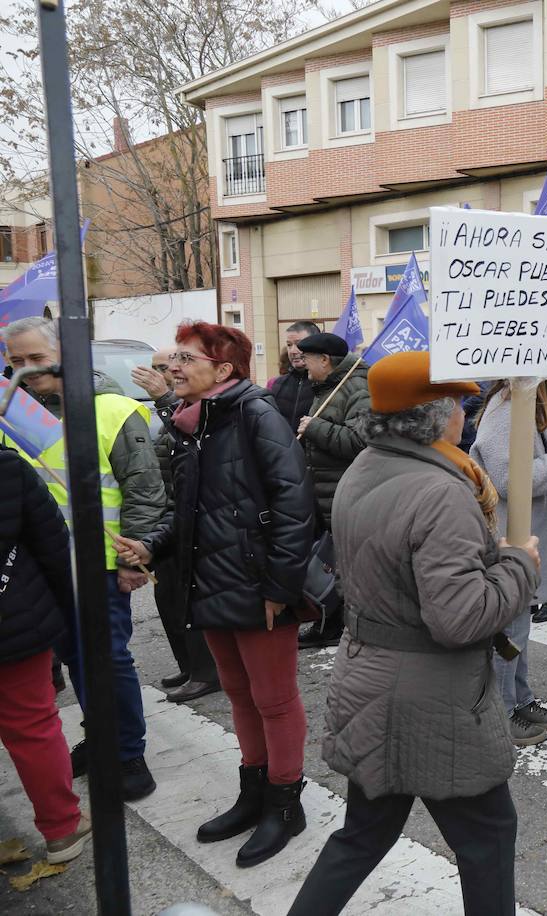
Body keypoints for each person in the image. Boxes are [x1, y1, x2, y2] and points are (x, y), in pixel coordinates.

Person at [286, 351, 538, 916]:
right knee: (487, 838)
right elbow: (461, 618)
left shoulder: (365, 468)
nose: (463, 416)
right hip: (433, 698)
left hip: (370, 677)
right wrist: (518, 564)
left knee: (363, 834)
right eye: (457, 404)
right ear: (434, 414)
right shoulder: (440, 489)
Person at [114, 321, 315, 868]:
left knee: (274, 699)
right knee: (239, 694)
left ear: (222, 370)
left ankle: (285, 800)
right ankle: (253, 793)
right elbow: (189, 509)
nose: (171, 367)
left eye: (184, 357)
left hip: (258, 588)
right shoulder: (193, 423)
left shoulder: (255, 413)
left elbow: (296, 506)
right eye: (171, 358)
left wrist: (279, 587)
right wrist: (152, 546)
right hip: (216, 582)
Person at [1, 316, 164, 801]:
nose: (26, 370)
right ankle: (101, 739)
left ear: (65, 353)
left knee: (108, 659)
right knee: (75, 658)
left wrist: (136, 559)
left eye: (35, 358)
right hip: (43, 569)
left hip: (102, 563)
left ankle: (128, 753)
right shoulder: (12, 413)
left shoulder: (113, 409)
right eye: (14, 362)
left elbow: (145, 490)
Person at [470, 379, 547, 746]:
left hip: (514, 534)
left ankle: (519, 699)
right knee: (510, 628)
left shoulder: (516, 403)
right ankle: (501, 711)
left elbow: (525, 450)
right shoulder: (507, 408)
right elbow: (509, 477)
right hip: (505, 536)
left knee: (519, 625)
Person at [0, 449, 91, 864]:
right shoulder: (6, 465)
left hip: (17, 619)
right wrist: (66, 613)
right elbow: (54, 545)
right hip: (15, 618)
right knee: (33, 725)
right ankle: (62, 828)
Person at [131, 349, 220, 702]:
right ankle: (188, 664)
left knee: (188, 597)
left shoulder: (190, 402)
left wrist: (164, 400)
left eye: (166, 367)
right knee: (166, 596)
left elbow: (192, 437)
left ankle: (206, 671)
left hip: (188, 517)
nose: (163, 374)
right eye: (155, 368)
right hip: (167, 513)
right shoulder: (170, 404)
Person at [295, 332, 371, 648]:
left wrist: (315, 428)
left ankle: (341, 627)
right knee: (331, 562)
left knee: (346, 566)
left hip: (346, 492)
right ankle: (328, 623)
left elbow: (360, 441)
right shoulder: (328, 386)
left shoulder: (357, 388)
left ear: (325, 360)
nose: (303, 367)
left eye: (308, 360)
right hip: (325, 492)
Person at [271, 320, 321, 431]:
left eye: (299, 344)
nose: (293, 351)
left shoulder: (326, 384)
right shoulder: (278, 384)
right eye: (289, 345)